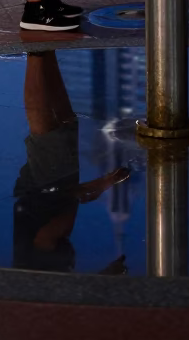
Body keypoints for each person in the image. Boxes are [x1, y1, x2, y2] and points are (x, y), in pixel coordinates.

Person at [14, 50, 129, 273]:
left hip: (45, 196)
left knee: (49, 134)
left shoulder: (44, 266)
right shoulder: (47, 274)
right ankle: (44, 53)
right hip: (47, 199)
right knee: (63, 125)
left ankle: (38, 54)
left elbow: (44, 237)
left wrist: (99, 184)